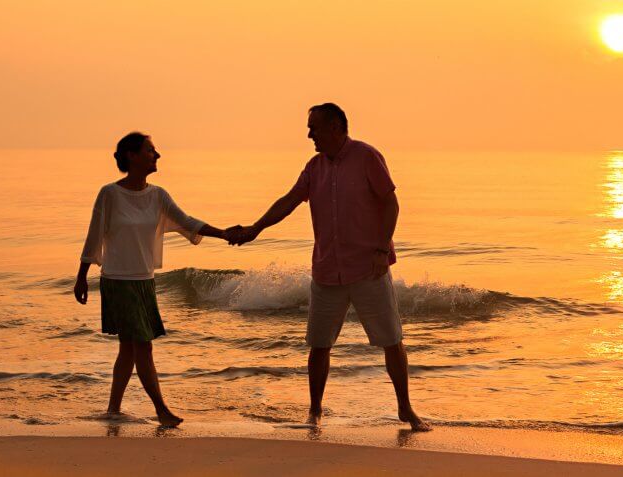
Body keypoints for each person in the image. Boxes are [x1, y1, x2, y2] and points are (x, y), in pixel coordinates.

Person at [228, 103, 431, 431]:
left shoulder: (367, 157)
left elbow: (391, 202)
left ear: (335, 127)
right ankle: (315, 411)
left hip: (369, 268)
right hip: (326, 270)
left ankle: (406, 409)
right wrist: (256, 228)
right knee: (319, 344)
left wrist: (382, 248)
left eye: (314, 127)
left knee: (391, 340)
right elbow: (288, 201)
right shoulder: (314, 167)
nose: (309, 134)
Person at [74, 132, 231, 427]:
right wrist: (81, 277)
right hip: (118, 280)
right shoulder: (109, 194)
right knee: (143, 346)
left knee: (129, 348)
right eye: (150, 151)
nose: (157, 155)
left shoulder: (158, 195)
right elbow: (94, 236)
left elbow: (187, 222)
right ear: (132, 156)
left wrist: (224, 233)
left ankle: (113, 409)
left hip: (145, 280)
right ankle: (161, 410)